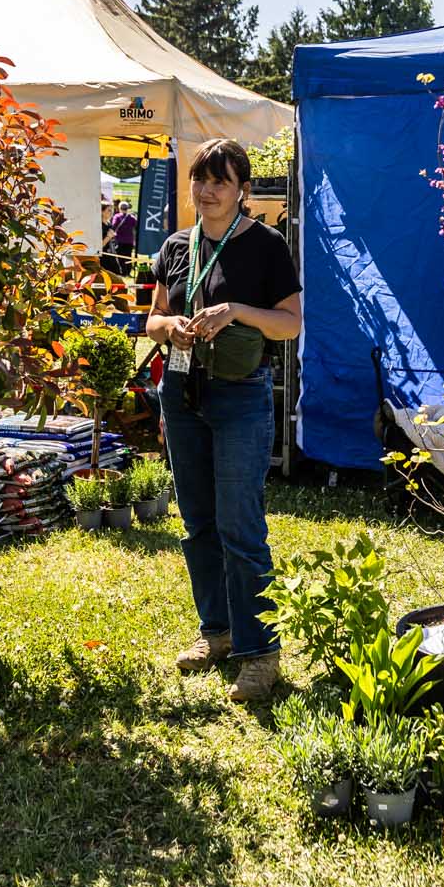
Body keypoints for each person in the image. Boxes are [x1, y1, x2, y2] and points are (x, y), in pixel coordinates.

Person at [145, 138, 301, 702]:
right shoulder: (176, 246)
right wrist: (172, 328)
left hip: (241, 397)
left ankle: (261, 655)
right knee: (197, 523)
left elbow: (290, 324)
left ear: (243, 192)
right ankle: (217, 633)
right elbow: (152, 320)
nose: (207, 192)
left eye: (220, 182)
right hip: (182, 394)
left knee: (241, 526)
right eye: (200, 180)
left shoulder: (266, 246)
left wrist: (236, 311)